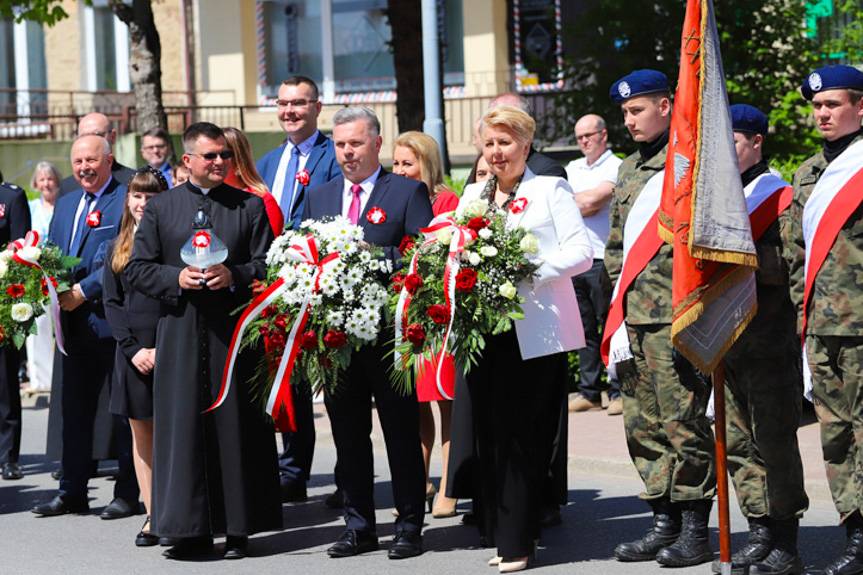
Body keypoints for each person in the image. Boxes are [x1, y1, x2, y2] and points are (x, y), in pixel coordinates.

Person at [125, 122, 281, 560]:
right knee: (183, 429)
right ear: (188, 161)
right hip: (179, 331)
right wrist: (176, 277)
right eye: (210, 156)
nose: (219, 163)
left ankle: (238, 528)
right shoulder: (162, 209)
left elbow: (268, 263)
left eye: (224, 156)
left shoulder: (248, 207)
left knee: (235, 426)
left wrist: (236, 274)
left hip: (231, 333)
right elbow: (138, 269)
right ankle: (189, 529)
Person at [455, 105, 593, 572]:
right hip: (484, 332)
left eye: (505, 143)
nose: (496, 152)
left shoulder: (550, 189)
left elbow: (581, 253)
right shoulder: (473, 193)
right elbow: (459, 250)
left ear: (526, 146)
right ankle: (500, 532)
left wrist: (525, 271)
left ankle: (520, 540)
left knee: (523, 436)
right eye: (489, 144)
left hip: (537, 330)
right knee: (491, 434)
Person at [303, 107, 432, 560]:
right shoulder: (320, 197)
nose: (347, 152)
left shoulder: (406, 191)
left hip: (387, 336)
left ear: (377, 143)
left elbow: (421, 254)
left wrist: (374, 256)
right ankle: (358, 526)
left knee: (399, 432)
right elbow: (306, 254)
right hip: (337, 339)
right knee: (348, 435)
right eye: (339, 144)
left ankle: (410, 524)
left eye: (355, 143)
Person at [604, 70, 715, 567]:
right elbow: (615, 247)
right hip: (633, 319)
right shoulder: (628, 169)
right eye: (625, 113)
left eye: (638, 110)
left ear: (667, 105)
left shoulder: (691, 162)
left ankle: (694, 528)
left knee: (683, 423)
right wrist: (619, 303)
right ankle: (662, 520)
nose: (629, 120)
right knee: (641, 426)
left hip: (676, 316)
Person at [707, 104, 809, 575]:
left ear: (755, 142)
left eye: (733, 141)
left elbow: (790, 268)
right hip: (728, 340)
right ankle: (759, 528)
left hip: (768, 341)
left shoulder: (779, 196)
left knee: (774, 442)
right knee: (738, 442)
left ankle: (786, 537)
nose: (725, 151)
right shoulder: (714, 199)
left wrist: (738, 257)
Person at [32, 135, 139, 517]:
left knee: (122, 412)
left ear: (109, 160)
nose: (83, 169)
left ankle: (128, 492)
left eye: (91, 161)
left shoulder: (125, 197)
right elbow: (52, 254)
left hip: (112, 323)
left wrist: (82, 289)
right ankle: (72, 490)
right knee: (74, 411)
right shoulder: (65, 203)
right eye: (78, 162)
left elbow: (124, 253)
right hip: (72, 325)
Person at [785, 65, 863, 575]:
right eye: (817, 106)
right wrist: (801, 315)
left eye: (832, 104)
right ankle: (856, 531)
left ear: (860, 107)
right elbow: (795, 254)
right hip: (820, 325)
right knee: (836, 437)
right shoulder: (808, 172)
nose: (822, 114)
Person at [256, 75, 340, 504]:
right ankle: (292, 470)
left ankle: (348, 475)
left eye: (299, 103)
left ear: (317, 107)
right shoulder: (268, 161)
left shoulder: (332, 156)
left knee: (332, 378)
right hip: (275, 285)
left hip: (319, 279)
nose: (290, 110)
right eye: (284, 103)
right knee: (287, 378)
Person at [392, 130, 459, 518]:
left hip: (438, 313)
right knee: (414, 406)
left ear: (427, 164)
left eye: (409, 163)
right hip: (404, 315)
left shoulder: (447, 199)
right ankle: (418, 483)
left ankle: (449, 486)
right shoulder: (393, 197)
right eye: (396, 163)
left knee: (445, 401)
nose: (401, 171)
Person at [101, 167, 168, 548]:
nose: (143, 203)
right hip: (133, 355)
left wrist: (162, 348)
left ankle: (181, 510)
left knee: (173, 434)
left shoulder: (172, 243)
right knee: (141, 435)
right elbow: (112, 303)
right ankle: (152, 514)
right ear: (128, 200)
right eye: (138, 196)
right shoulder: (116, 247)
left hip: (169, 350)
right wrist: (134, 350)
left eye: (152, 196)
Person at [565, 114, 623, 416]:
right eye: (579, 137)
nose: (585, 141)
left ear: (603, 135)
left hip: (603, 258)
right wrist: (583, 202)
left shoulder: (616, 165)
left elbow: (592, 202)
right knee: (583, 330)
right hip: (577, 259)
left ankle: (618, 391)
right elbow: (568, 205)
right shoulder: (572, 168)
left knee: (610, 327)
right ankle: (589, 391)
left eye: (589, 135)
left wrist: (579, 202)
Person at [0, 174, 31, 480]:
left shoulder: (10, 196)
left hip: (2, 302)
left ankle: (9, 457)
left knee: (5, 384)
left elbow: (22, 250)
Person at [26, 162, 61, 393]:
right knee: (38, 324)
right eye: (42, 179)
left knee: (61, 324)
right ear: (36, 183)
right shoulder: (31, 207)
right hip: (35, 273)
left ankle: (60, 376)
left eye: (50, 178)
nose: (46, 183)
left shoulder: (65, 204)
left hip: (60, 271)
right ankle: (40, 378)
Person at [223, 126, 284, 236]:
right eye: (209, 155)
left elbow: (269, 249)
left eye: (224, 155)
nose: (215, 161)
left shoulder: (263, 201)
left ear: (239, 160)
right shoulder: (204, 198)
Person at [59, 113, 135, 196]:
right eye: (84, 136)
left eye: (97, 135)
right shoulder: (67, 187)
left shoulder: (133, 182)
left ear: (112, 136)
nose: (91, 141)